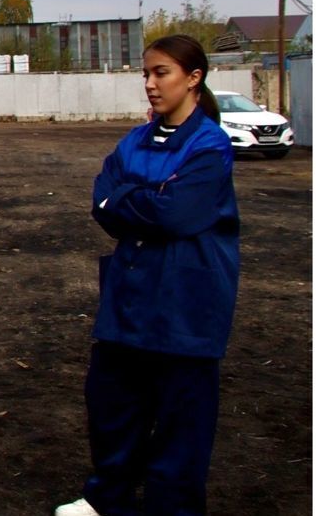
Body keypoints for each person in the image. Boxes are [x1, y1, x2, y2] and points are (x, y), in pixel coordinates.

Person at [56, 34, 239, 516]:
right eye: (146, 74)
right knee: (113, 405)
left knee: (182, 421)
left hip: (185, 304)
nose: (151, 84)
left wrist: (127, 200)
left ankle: (171, 507)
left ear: (193, 78)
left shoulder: (209, 145)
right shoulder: (134, 140)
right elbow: (102, 198)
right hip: (129, 298)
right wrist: (141, 200)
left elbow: (178, 214)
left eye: (162, 73)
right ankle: (106, 498)